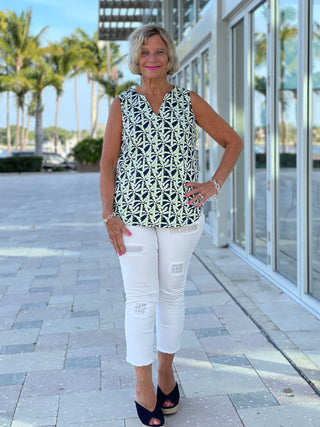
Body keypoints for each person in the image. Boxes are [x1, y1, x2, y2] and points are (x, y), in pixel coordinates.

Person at [100, 24, 243, 427]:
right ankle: (143, 382)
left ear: (169, 57)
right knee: (141, 299)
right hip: (132, 218)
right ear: (136, 58)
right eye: (144, 52)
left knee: (172, 296)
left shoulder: (189, 101)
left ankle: (166, 371)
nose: (152, 58)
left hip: (181, 219)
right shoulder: (121, 105)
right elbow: (108, 164)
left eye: (159, 51)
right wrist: (109, 214)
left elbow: (233, 140)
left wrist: (213, 185)